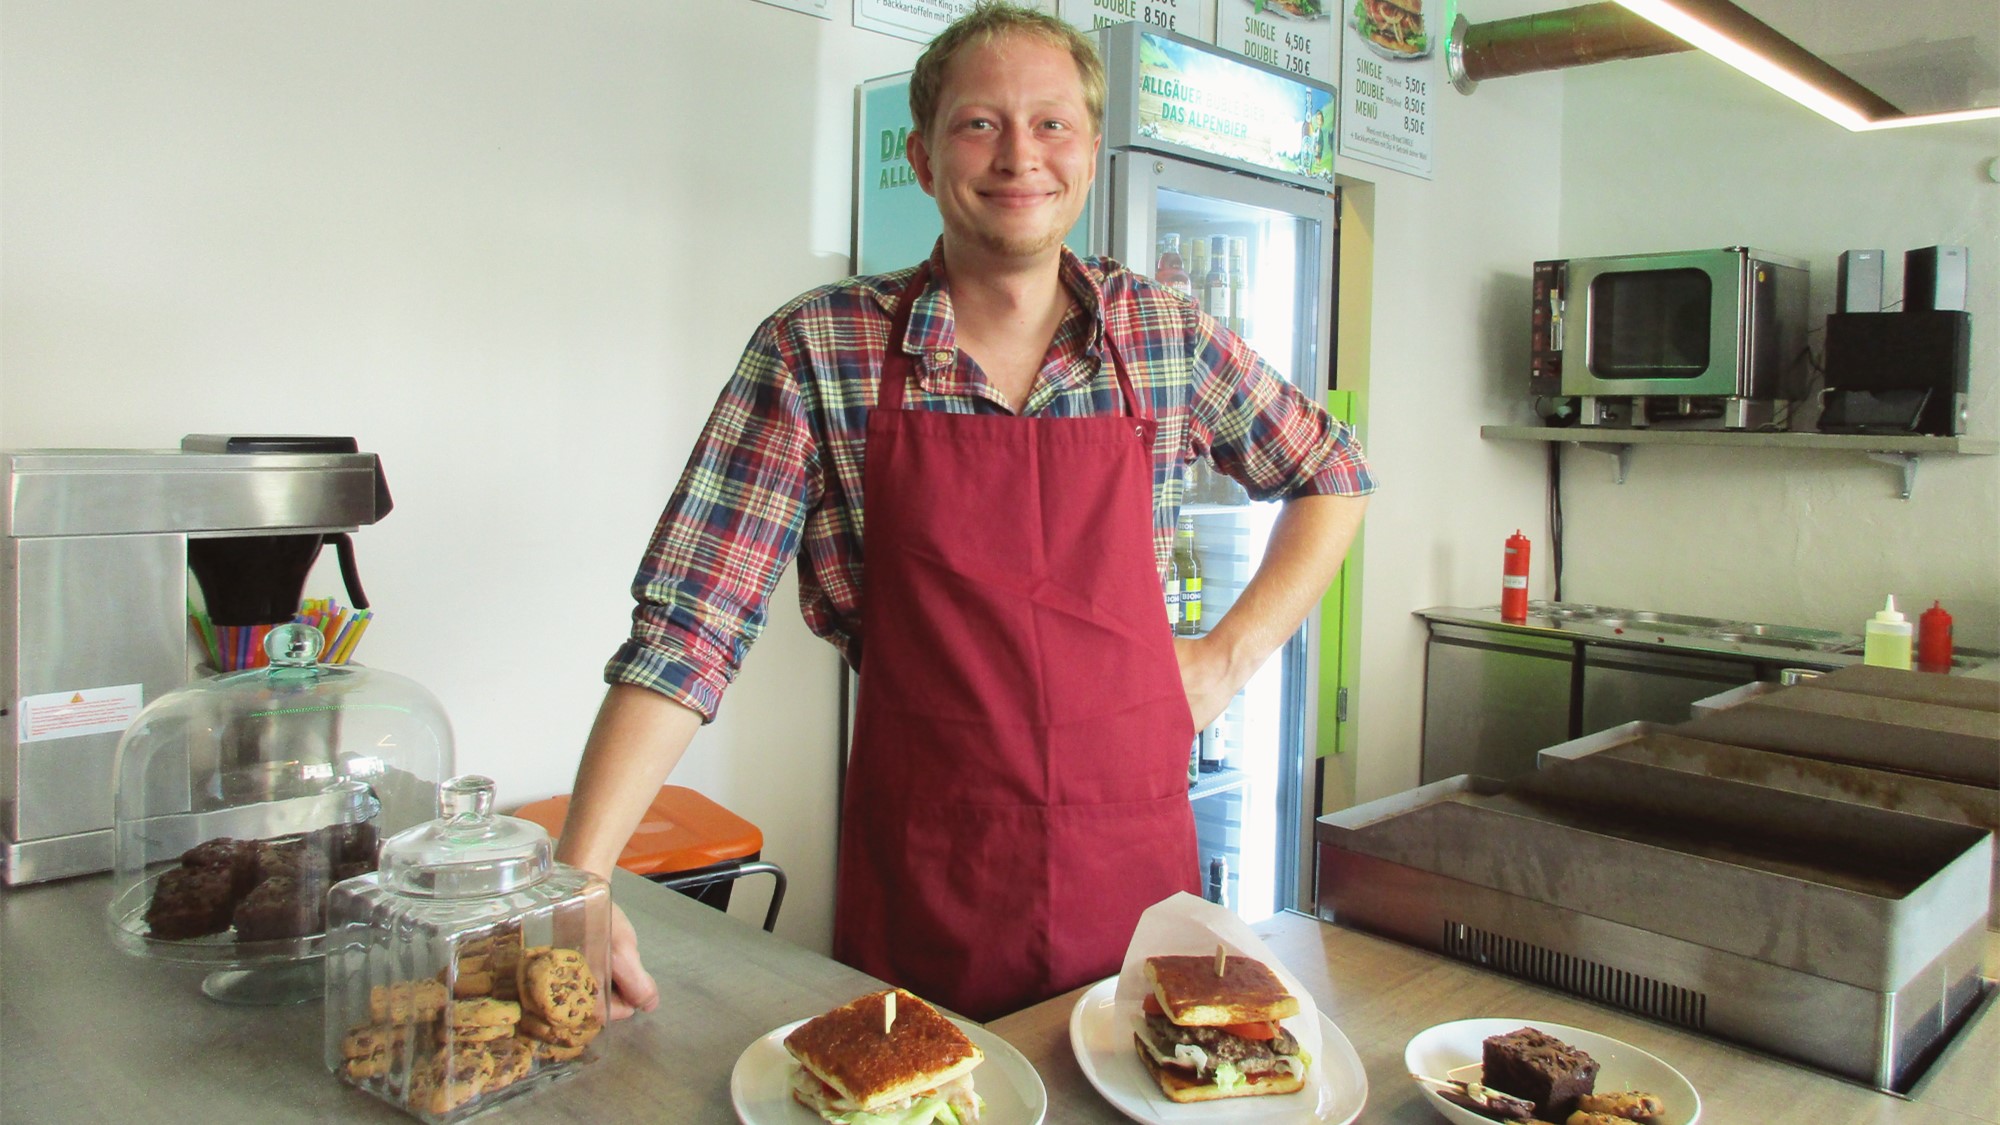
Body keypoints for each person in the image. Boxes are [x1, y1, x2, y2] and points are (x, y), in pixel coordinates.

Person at [557, 1, 1374, 1024]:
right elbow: (692, 623)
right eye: (979, 123)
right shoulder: (819, 350)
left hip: (1129, 863)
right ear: (924, 155)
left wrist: (1225, 658)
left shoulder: (1160, 334)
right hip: (929, 867)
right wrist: (581, 877)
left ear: (1086, 150)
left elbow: (1331, 472)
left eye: (1050, 124)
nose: (1017, 155)